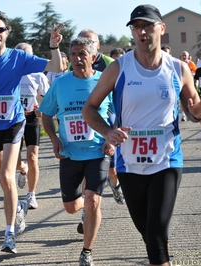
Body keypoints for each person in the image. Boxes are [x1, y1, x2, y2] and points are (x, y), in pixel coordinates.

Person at [82, 5, 201, 266]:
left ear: (161, 29)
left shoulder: (178, 69)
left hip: (166, 162)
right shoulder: (119, 68)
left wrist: (199, 111)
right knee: (150, 236)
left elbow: (191, 110)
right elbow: (89, 108)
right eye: (136, 27)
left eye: (148, 26)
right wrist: (108, 132)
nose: (142, 32)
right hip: (129, 165)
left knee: (154, 237)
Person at [0, 11, 64, 254]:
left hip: (14, 122)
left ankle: (9, 235)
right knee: (4, 180)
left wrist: (53, 46)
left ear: (7, 32)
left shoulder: (19, 57)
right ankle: (17, 208)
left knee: (7, 175)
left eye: (1, 29)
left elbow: (55, 66)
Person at [39, 37, 112, 266]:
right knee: (71, 207)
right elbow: (46, 114)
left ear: (92, 57)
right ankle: (85, 210)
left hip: (98, 152)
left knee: (93, 201)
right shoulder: (61, 84)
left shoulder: (105, 82)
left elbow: (120, 113)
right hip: (70, 154)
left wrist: (112, 137)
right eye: (73, 55)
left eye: (82, 54)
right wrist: (53, 139)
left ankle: (87, 252)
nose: (77, 59)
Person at [76, 29, 125, 206]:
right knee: (87, 165)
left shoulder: (110, 64)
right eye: (82, 41)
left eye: (90, 42)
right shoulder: (76, 61)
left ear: (98, 45)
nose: (86, 45)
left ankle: (115, 183)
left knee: (111, 168)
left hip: (107, 117)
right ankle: (86, 210)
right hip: (84, 118)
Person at [14, 42, 50, 209]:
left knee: (33, 156)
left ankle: (31, 194)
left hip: (31, 118)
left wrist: (42, 108)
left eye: (26, 55)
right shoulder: (10, 73)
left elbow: (49, 97)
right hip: (13, 120)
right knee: (15, 160)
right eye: (20, 54)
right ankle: (23, 169)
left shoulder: (38, 75)